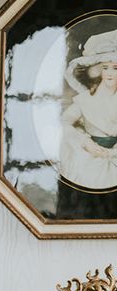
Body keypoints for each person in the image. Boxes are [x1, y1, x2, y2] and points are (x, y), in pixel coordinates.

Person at [60, 28, 117, 190]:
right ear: (99, 71)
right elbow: (63, 122)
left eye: (116, 68)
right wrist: (84, 142)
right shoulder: (86, 99)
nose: (110, 73)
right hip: (90, 157)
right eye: (105, 68)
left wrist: (112, 153)